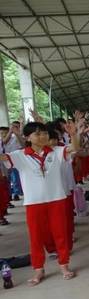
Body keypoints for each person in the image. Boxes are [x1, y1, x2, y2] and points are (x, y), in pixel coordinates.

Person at [0, 120, 81, 285]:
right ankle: (38, 269)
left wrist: (73, 134)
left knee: (60, 234)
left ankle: (64, 265)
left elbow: (75, 148)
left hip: (56, 199)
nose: (43, 136)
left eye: (44, 133)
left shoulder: (56, 151)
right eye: (38, 133)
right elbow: (3, 157)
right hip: (34, 203)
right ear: (27, 137)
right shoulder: (19, 155)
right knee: (36, 237)